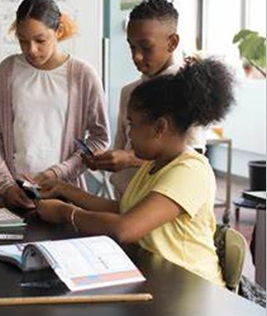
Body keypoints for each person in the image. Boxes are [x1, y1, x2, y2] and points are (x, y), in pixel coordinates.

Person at [36, 57, 235, 286]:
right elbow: (126, 209)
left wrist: (65, 212)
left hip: (191, 290)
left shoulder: (190, 170)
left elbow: (126, 228)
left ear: (160, 127)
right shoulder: (153, 164)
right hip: (159, 280)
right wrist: (65, 189)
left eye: (133, 125)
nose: (129, 134)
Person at [0, 0, 110, 211]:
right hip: (16, 192)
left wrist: (58, 173)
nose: (31, 49)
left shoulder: (82, 74)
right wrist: (6, 186)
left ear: (59, 31)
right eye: (23, 40)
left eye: (40, 40)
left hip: (64, 193)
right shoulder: (8, 70)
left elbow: (100, 138)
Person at [86, 0, 206, 198]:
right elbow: (122, 147)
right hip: (125, 199)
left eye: (146, 47)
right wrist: (108, 160)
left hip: (162, 204)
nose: (136, 56)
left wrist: (130, 159)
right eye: (132, 47)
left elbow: (192, 157)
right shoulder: (129, 92)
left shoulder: (188, 90)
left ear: (172, 42)